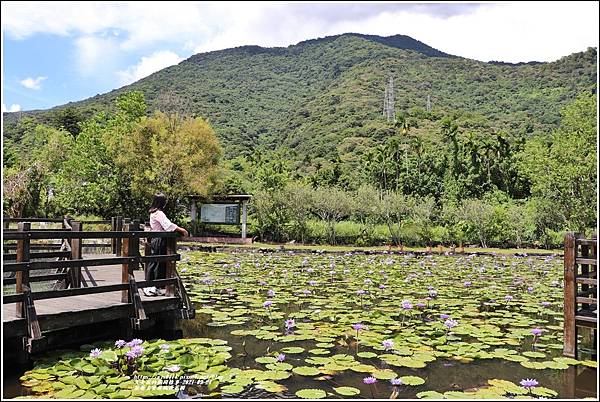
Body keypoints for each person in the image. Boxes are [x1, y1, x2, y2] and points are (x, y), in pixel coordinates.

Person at [144, 193, 188, 296]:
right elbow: (168, 225)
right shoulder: (159, 213)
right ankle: (151, 287)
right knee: (157, 263)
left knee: (155, 262)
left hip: (155, 239)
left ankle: (152, 286)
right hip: (159, 240)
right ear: (162, 202)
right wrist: (182, 230)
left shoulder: (153, 213)